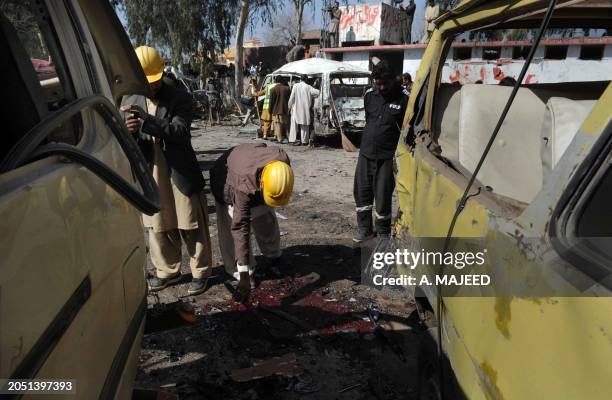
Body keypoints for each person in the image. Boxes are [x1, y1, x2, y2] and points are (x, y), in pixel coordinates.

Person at [121, 46, 213, 295]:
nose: (150, 87)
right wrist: (129, 130)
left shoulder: (179, 96)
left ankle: (200, 272)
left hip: (179, 169)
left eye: (153, 82)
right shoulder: (131, 99)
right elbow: (130, 142)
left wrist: (147, 121)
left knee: (190, 222)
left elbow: (180, 133)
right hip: (151, 170)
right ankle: (166, 271)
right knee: (158, 224)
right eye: (145, 83)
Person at [210, 143, 294, 299]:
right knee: (232, 228)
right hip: (226, 179)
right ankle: (242, 272)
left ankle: (273, 255)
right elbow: (240, 227)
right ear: (262, 184)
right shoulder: (243, 184)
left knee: (266, 215)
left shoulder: (281, 164)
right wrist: (244, 275)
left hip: (252, 171)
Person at [353, 61, 409, 242]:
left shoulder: (404, 98)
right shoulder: (369, 95)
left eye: (385, 83)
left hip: (387, 156)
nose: (382, 87)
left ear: (394, 80)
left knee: (383, 195)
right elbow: (370, 119)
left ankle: (383, 232)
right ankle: (364, 230)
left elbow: (406, 129)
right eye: (378, 83)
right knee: (362, 192)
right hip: (366, 153)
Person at [288, 78, 320, 146]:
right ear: (306, 80)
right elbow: (318, 92)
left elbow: (291, 98)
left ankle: (292, 140)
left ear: (300, 79)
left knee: (294, 125)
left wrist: (289, 106)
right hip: (305, 109)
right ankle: (304, 141)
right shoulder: (308, 87)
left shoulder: (295, 86)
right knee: (304, 125)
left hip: (295, 108)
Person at [269, 76, 291, 143]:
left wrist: (270, 110)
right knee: (287, 125)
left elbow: (271, 102)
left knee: (278, 125)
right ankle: (290, 138)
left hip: (276, 110)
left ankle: (280, 139)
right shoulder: (287, 89)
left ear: (275, 81)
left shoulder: (273, 89)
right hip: (286, 110)